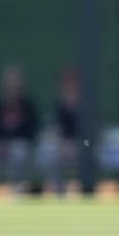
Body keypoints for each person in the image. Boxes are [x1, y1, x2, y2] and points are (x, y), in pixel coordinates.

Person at [40, 67, 90, 196]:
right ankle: (60, 192)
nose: (70, 87)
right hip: (63, 147)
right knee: (49, 154)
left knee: (88, 154)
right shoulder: (58, 106)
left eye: (73, 83)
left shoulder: (87, 106)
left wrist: (79, 145)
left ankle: (88, 191)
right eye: (67, 84)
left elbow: (93, 134)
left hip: (84, 146)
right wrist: (64, 145)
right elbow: (54, 130)